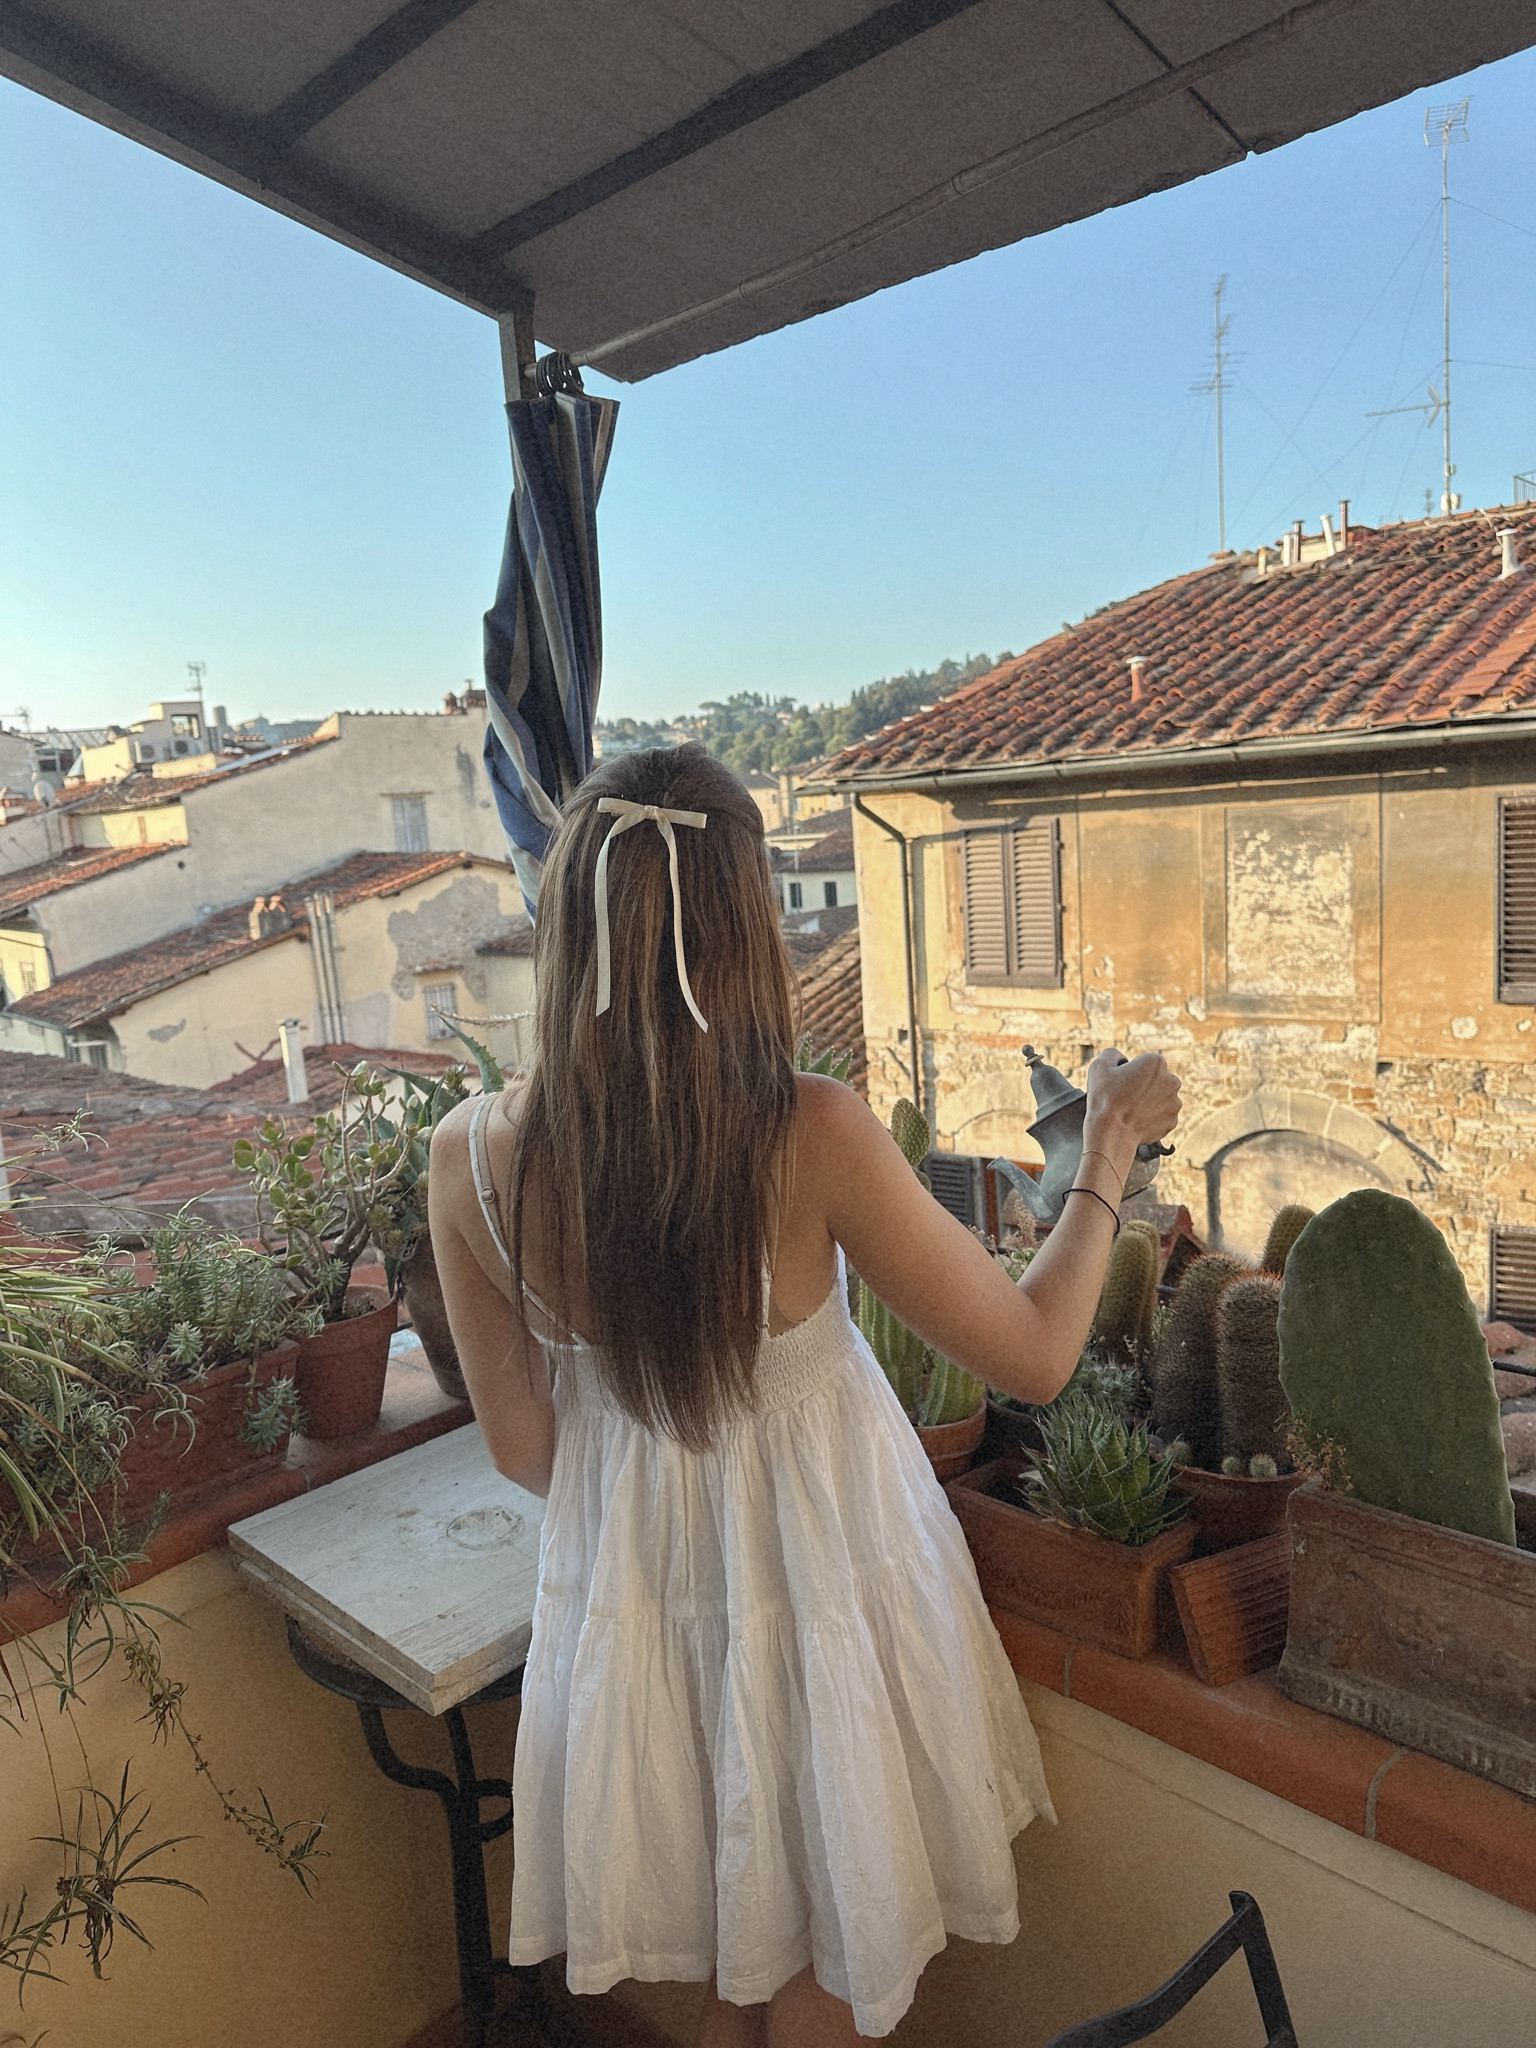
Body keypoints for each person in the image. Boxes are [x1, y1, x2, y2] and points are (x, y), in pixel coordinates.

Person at [429, 746, 1181, 2045]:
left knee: (742, 1973)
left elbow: (522, 1445)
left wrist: (665, 1500)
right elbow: (1039, 1354)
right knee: (824, 1974)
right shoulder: (807, 1133)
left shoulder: (472, 1159)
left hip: (642, 1617)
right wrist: (1107, 1139)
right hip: (823, 1596)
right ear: (746, 926)